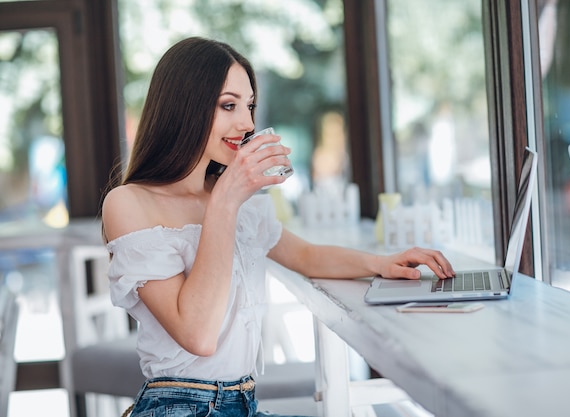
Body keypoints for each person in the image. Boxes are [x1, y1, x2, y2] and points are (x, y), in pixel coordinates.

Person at [101, 37, 455, 417]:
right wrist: (225, 200)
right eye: (228, 105)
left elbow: (305, 255)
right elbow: (198, 334)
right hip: (179, 406)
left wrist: (382, 263)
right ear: (184, 107)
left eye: (250, 106)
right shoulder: (129, 203)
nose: (248, 123)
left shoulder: (237, 202)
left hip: (245, 404)